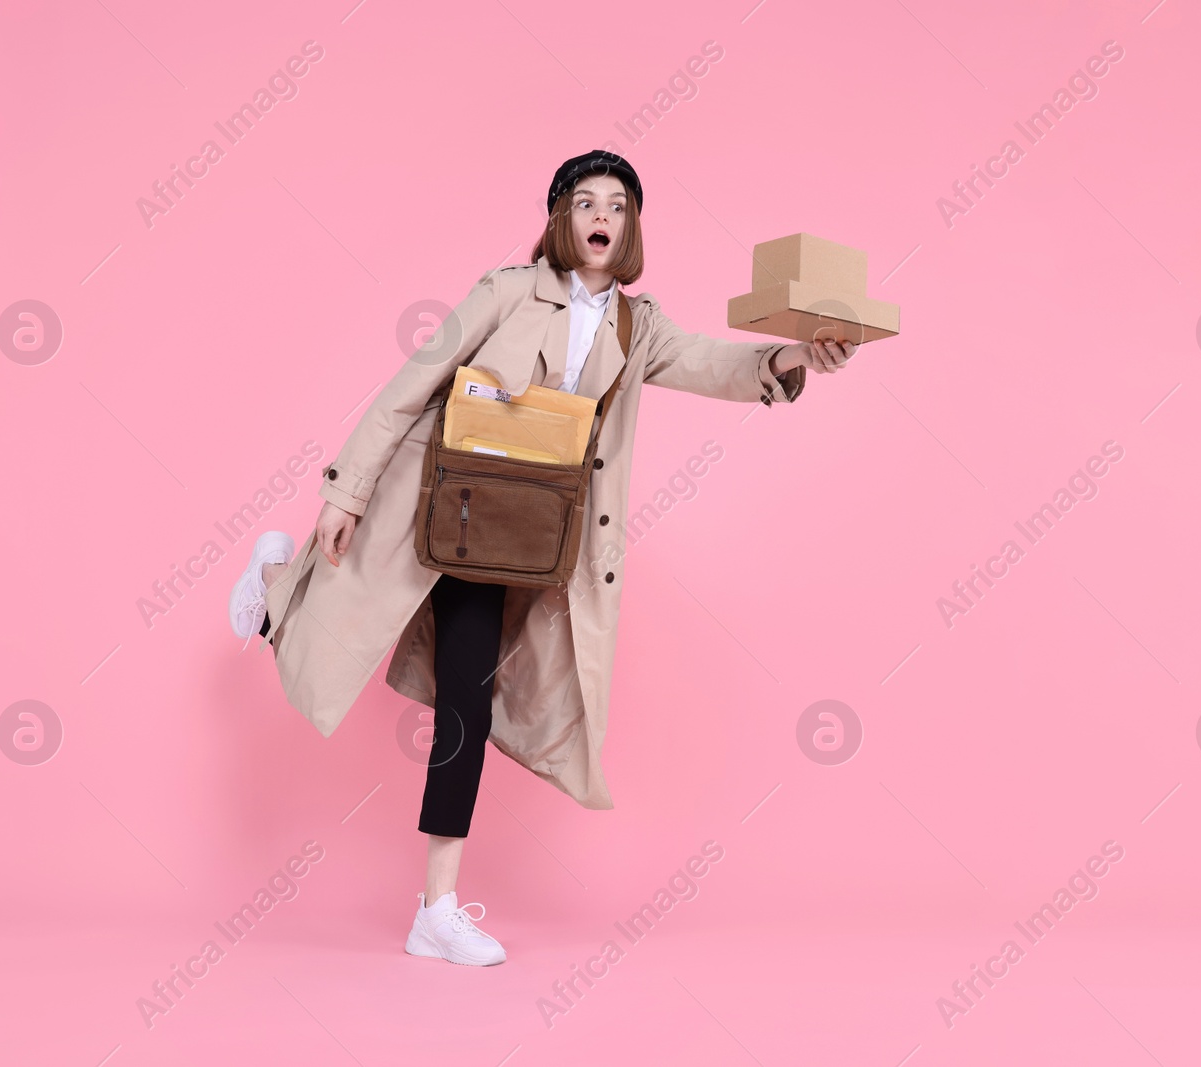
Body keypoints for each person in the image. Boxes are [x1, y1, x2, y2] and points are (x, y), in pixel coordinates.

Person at [227, 151, 857, 966]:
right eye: (586, 201)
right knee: (364, 631)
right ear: (561, 214)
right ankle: (279, 582)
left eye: (619, 205)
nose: (603, 216)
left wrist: (799, 355)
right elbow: (409, 386)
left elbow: (715, 363)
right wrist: (345, 491)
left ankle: (434, 910)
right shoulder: (505, 290)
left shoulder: (639, 325)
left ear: (630, 225)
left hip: (528, 536)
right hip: (443, 505)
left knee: (468, 703)